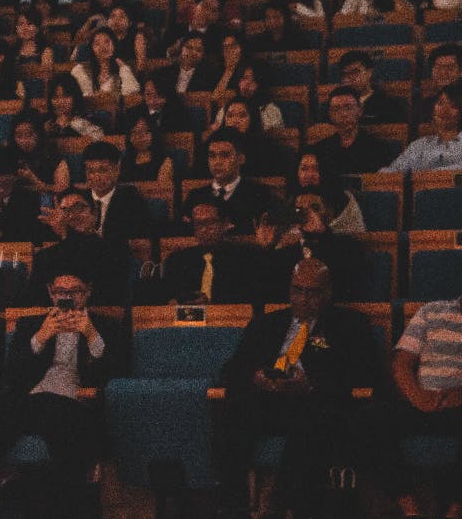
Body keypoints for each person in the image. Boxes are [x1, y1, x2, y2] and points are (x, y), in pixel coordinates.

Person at [217, 259, 382, 517]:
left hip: (313, 400)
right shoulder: (266, 324)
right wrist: (256, 377)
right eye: (297, 290)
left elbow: (364, 372)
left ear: (328, 292)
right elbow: (231, 369)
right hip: (268, 399)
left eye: (313, 292)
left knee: (316, 416)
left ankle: (281, 503)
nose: (304, 299)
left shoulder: (349, 325)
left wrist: (311, 383)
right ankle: (233, 504)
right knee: (231, 409)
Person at [0, 268, 127, 515]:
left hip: (75, 404)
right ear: (50, 293)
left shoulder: (105, 326)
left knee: (60, 422)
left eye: (74, 292)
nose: (66, 298)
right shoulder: (32, 324)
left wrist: (90, 335)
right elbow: (12, 373)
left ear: (87, 293)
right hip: (31, 404)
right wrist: (41, 337)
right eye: (60, 292)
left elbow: (116, 372)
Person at [368, 293, 462, 519]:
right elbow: (401, 363)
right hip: (422, 400)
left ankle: (455, 509)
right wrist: (417, 396)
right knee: (369, 418)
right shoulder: (431, 311)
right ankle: (410, 508)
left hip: (458, 405)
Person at [158, 198, 265, 304]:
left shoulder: (245, 259)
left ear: (225, 224)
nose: (203, 229)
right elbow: (168, 297)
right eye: (198, 224)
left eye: (210, 222)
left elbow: (249, 298)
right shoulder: (177, 260)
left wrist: (211, 304)